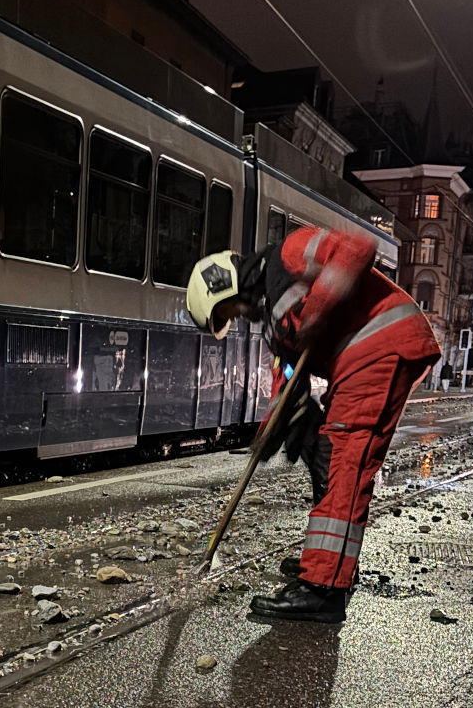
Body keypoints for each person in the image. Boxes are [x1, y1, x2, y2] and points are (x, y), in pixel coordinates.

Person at [186, 226, 439, 623]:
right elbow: (284, 377)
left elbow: (356, 249)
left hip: (380, 343)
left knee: (345, 460)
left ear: (223, 287)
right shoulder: (272, 314)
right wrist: (272, 426)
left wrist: (316, 312)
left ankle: (323, 588)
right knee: (323, 451)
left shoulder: (289, 252)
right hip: (359, 359)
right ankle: (327, 563)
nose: (237, 317)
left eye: (227, 312)